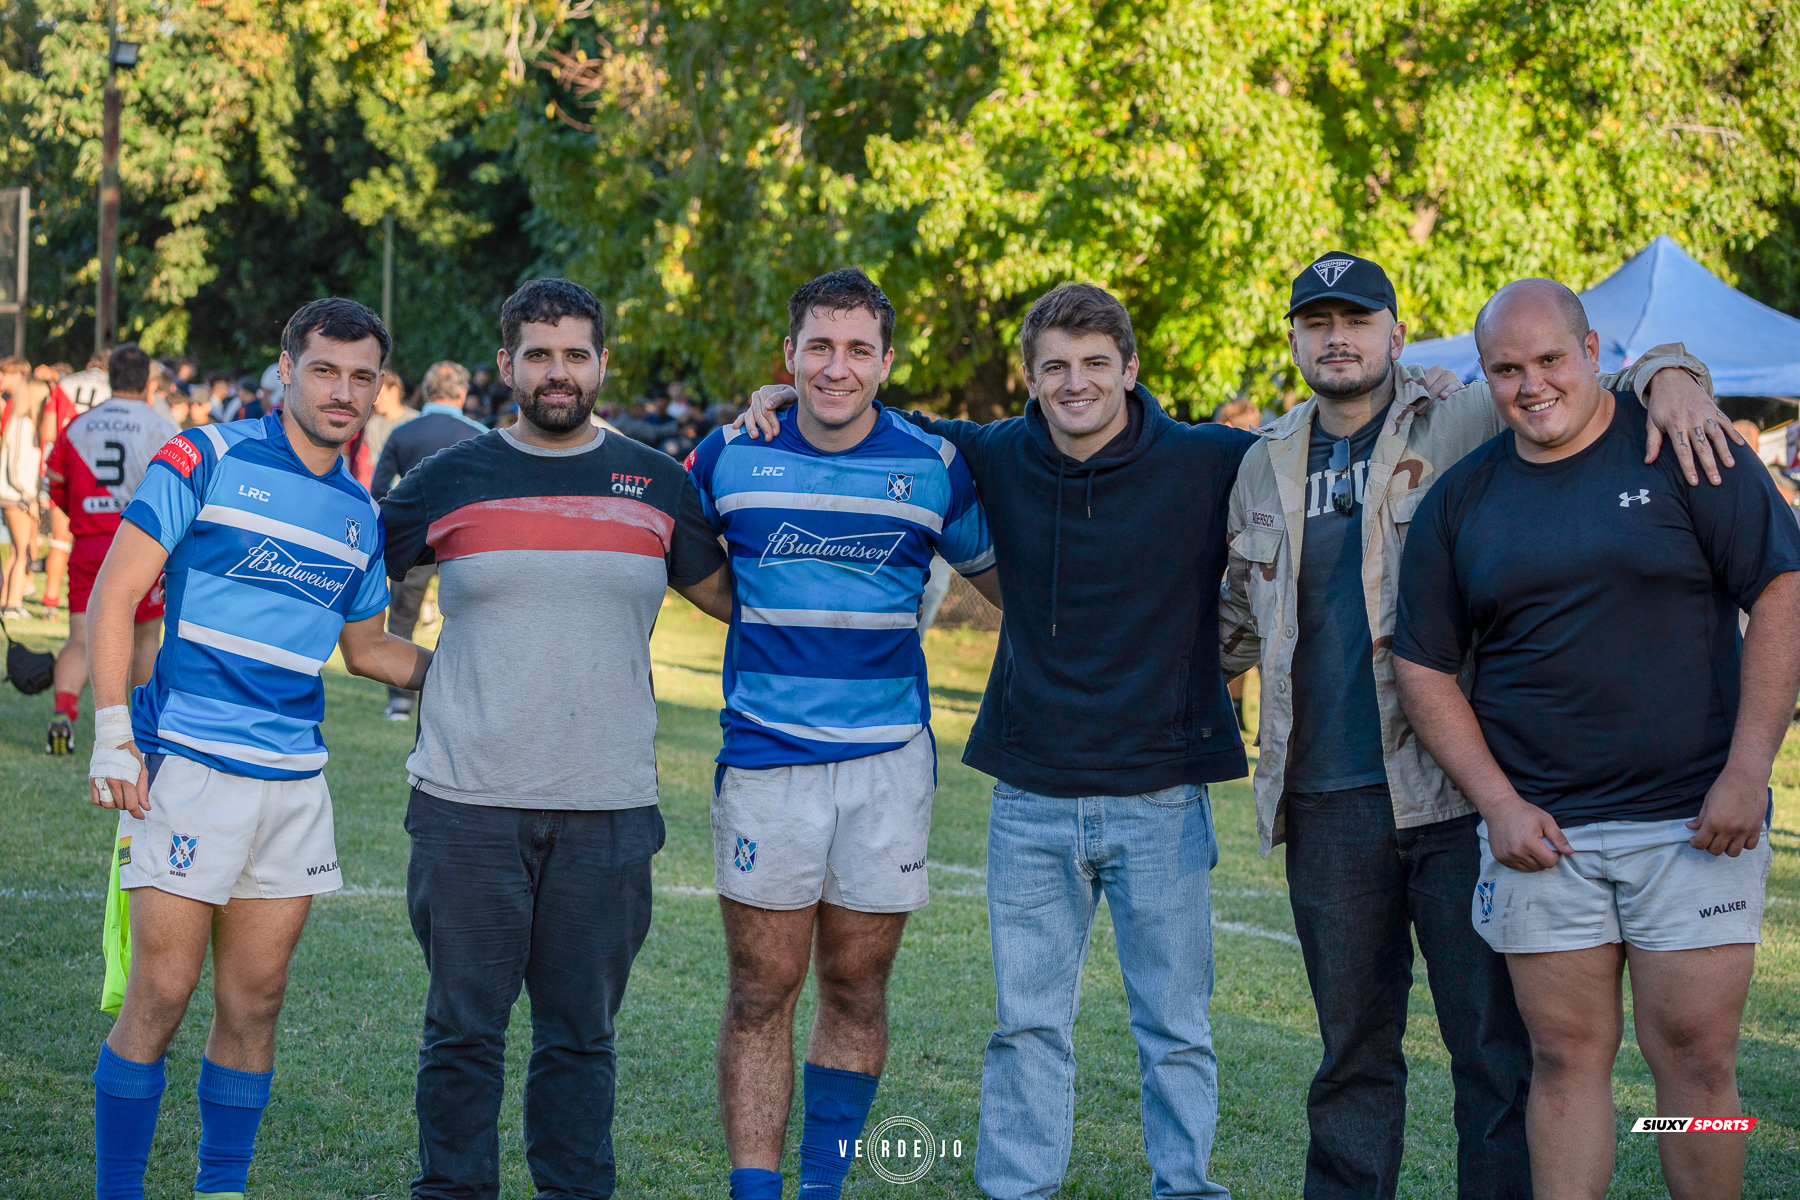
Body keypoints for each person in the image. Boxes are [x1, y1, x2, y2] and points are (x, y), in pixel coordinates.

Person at [1218, 254, 1730, 1200]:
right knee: (1350, 1056)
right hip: (1325, 798)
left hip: (1459, 794)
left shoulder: (1461, 414)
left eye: (1358, 320)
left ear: (1397, 334)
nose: (1338, 338)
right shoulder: (1263, 458)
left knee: (1496, 1055)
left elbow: (1586, 381)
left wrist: (1674, 375)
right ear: (1292, 340)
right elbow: (1234, 624)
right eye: (1316, 322)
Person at [741, 282, 1256, 1198]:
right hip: (1029, 797)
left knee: (1176, 1028)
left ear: (1131, 370)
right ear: (1030, 377)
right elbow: (874, 405)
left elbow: (1319, 452)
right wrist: (788, 391)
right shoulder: (995, 453)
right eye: (1055, 366)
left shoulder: (1206, 460)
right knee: (1027, 1025)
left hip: (1164, 793)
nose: (1076, 383)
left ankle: (1184, 1187)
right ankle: (1018, 1190)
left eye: (1097, 365)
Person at [1391, 279, 1800, 1200]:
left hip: (1695, 823)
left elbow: (1780, 589)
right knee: (1568, 1064)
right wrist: (1498, 805)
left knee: (1696, 1067)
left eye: (1548, 360)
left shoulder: (1685, 448)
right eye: (1506, 369)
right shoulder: (1463, 501)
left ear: (1592, 351)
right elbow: (1422, 666)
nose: (1532, 385)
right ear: (1484, 378)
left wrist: (1747, 771)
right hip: (1549, 840)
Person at [380, 278, 732, 1200]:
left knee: (581, 1039)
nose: (557, 372)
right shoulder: (451, 476)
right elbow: (342, 569)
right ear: (507, 366)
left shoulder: (658, 481)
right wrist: (421, 672)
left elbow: (740, 602)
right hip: (466, 805)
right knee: (462, 1034)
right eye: (538, 354)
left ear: (601, 364)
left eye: (575, 353)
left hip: (608, 810)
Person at [84, 297, 430, 1200]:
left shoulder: (359, 511)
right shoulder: (204, 455)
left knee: (257, 1003)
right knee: (158, 998)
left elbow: (368, 651)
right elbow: (116, 594)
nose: (343, 391)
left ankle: (220, 1190)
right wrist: (115, 737)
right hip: (187, 767)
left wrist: (472, 666)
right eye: (325, 369)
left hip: (293, 782)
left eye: (362, 376)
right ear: (286, 368)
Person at [687, 270, 999, 1200]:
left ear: (886, 362)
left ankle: (820, 1188)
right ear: (788, 357)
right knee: (759, 991)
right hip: (766, 766)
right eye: (819, 347)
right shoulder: (728, 454)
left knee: (858, 992)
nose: (837, 366)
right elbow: (690, 567)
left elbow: (1013, 586)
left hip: (886, 771)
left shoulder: (932, 465)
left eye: (858, 349)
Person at [43, 344, 180, 755]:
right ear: (150, 383)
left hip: (88, 543)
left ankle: (64, 714)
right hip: (143, 545)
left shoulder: (80, 426)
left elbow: (55, 484)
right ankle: (139, 727)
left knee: (81, 637)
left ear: (109, 379)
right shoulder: (161, 426)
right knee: (143, 639)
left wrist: (84, 517)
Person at [370, 359, 488, 720]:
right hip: (468, 545)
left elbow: (378, 489)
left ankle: (399, 701)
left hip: (416, 541)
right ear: (463, 393)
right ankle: (470, 696)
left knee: (402, 618)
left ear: (426, 389)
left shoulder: (403, 432)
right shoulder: (481, 436)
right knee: (472, 620)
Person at [1, 357, 43, 619]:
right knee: (21, 550)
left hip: (15, 494)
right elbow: (18, 467)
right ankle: (12, 604)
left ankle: (8, 600)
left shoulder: (20, 421)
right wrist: (31, 497)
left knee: (17, 551)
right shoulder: (23, 423)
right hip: (16, 496)